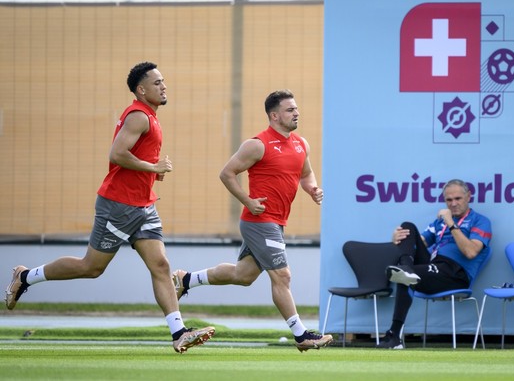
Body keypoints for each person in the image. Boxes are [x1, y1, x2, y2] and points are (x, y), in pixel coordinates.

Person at [4, 62, 215, 353]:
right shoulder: (139, 116)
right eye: (157, 82)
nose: (164, 86)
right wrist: (153, 166)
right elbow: (117, 154)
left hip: (143, 206)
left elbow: (132, 158)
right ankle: (25, 276)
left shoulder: (150, 117)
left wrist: (152, 174)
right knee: (91, 267)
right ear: (141, 90)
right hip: (118, 205)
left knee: (161, 266)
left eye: (163, 81)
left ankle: (178, 332)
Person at [172, 89, 333, 352]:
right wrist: (247, 201)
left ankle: (186, 279)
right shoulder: (257, 144)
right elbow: (227, 174)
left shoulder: (301, 144)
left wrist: (313, 189)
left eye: (297, 109)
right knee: (282, 276)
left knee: (243, 275)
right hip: (260, 221)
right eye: (290, 109)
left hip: (277, 222)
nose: (297, 113)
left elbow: (306, 174)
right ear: (274, 115)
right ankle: (301, 335)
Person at [379, 179, 492, 349]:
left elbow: (470, 252)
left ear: (469, 197)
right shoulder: (439, 223)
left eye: (458, 199)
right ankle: (406, 269)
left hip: (455, 273)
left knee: (405, 276)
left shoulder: (480, 221)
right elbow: (417, 243)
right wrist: (396, 240)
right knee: (407, 228)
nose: (453, 204)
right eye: (449, 200)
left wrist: (451, 224)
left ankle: (394, 334)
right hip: (434, 266)